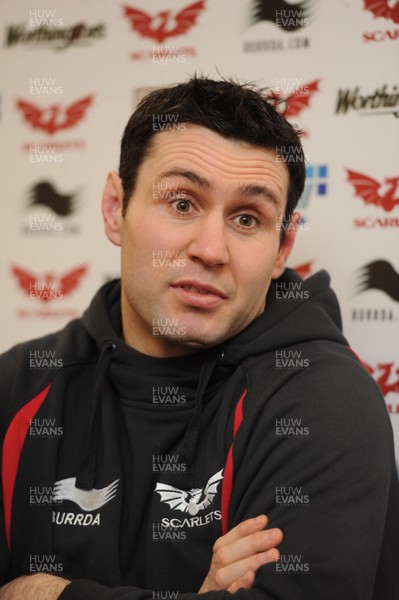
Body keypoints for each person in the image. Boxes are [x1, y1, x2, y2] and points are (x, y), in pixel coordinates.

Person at [0, 76, 398, 600]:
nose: (211, 249)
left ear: (282, 249)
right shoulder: (16, 383)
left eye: (247, 218)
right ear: (114, 208)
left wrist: (46, 595)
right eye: (183, 203)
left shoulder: (324, 401)